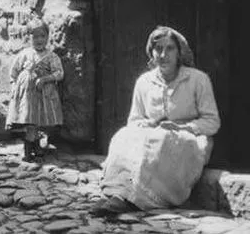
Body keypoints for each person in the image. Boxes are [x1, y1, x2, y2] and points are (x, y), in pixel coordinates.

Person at [91, 26, 220, 217]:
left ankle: (139, 199)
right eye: (158, 49)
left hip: (190, 139)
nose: (163, 54)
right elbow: (134, 120)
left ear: (179, 52)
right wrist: (147, 124)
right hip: (153, 134)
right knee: (122, 136)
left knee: (159, 141)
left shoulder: (198, 79)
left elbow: (212, 122)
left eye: (169, 49)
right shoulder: (144, 81)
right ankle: (119, 193)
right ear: (151, 52)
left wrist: (185, 127)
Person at [6, 20, 64, 162]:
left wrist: (45, 79)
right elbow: (13, 71)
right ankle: (28, 148)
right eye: (35, 37)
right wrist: (14, 86)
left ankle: (35, 146)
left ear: (47, 37)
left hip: (43, 94)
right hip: (26, 94)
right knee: (29, 119)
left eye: (42, 36)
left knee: (37, 120)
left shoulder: (51, 57)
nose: (39, 40)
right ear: (29, 38)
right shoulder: (24, 54)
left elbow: (59, 73)